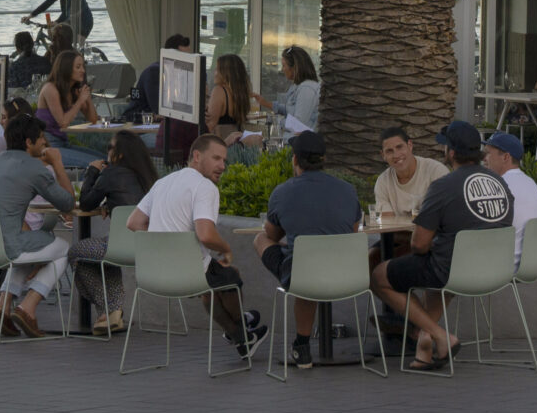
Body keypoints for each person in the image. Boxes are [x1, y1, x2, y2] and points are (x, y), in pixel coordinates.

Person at [370, 120, 508, 372]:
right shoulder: (499, 182)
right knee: (437, 269)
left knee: (379, 275)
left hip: (453, 270)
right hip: (497, 268)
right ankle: (423, 341)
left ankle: (439, 335)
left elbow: (420, 245)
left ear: (451, 153)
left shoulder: (443, 186)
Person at [131, 133, 260, 356]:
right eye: (216, 158)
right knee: (231, 277)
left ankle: (240, 333)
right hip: (188, 274)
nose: (222, 166)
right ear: (197, 156)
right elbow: (206, 235)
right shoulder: (204, 187)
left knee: (213, 287)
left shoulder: (163, 183)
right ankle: (241, 331)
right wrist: (226, 249)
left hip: (153, 274)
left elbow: (133, 222)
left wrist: (164, 241)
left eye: (224, 161)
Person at [257, 131, 363, 368]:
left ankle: (302, 346)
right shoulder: (348, 190)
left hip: (303, 275)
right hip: (349, 276)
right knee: (306, 261)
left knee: (262, 241)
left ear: (295, 160)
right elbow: (352, 233)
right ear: (323, 160)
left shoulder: (282, 193)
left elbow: (271, 235)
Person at [0, 112, 76, 336]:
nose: (44, 142)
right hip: (7, 246)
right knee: (64, 250)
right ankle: (27, 307)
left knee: (30, 250)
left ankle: (2, 307)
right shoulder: (33, 167)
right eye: (40, 138)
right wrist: (57, 164)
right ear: (29, 142)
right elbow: (68, 203)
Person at [69, 127, 155, 332]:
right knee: (107, 260)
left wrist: (92, 171)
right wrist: (110, 205)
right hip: (148, 248)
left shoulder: (111, 174)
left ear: (120, 154)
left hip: (117, 247)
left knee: (75, 253)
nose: (107, 151)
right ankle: (111, 316)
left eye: (110, 148)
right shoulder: (150, 178)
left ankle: (111, 310)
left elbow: (87, 203)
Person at [480, 130, 537, 263]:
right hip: (533, 264)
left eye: (488, 153)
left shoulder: (499, 187)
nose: (484, 159)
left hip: (504, 266)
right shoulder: (530, 182)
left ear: (505, 157)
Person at [37, 49, 100, 162]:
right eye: (78, 67)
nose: (83, 70)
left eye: (83, 66)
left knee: (104, 160)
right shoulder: (50, 89)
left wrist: (87, 98)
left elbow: (93, 119)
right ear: (66, 68)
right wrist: (80, 101)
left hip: (63, 141)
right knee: (93, 163)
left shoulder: (72, 91)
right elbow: (63, 123)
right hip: (49, 144)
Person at [124, 33, 194, 122]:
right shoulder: (154, 72)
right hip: (139, 123)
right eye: (183, 57)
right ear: (169, 55)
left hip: (161, 123)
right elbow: (159, 108)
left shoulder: (179, 74)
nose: (187, 61)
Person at [370, 126, 431, 226]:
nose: (396, 155)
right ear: (383, 155)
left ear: (410, 145)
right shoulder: (383, 181)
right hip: (397, 238)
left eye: (399, 147)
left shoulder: (435, 171)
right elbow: (387, 226)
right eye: (389, 151)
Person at [206, 52, 259, 155]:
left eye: (217, 69)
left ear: (226, 72)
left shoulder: (219, 91)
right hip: (236, 148)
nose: (214, 72)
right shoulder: (240, 94)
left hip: (221, 147)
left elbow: (209, 125)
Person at [276, 45, 322, 136]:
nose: (282, 69)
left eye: (284, 65)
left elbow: (299, 124)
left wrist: (279, 122)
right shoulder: (298, 86)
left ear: (294, 67)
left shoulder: (307, 89)